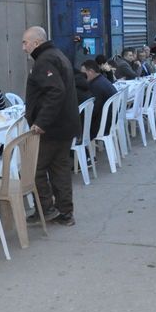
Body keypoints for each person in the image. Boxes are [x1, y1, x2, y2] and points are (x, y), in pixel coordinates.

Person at [22, 26, 81, 226]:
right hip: (64, 125)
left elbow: (55, 92)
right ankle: (65, 213)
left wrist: (41, 122)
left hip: (52, 128)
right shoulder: (56, 55)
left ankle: (46, 209)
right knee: (60, 169)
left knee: (35, 169)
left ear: (36, 43)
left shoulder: (45, 60)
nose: (23, 47)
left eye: (25, 42)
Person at [80, 60, 117, 134]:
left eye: (83, 74)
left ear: (91, 71)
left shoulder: (95, 86)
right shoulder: (102, 80)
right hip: (111, 120)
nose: (82, 76)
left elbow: (92, 112)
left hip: (102, 126)